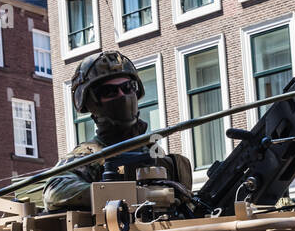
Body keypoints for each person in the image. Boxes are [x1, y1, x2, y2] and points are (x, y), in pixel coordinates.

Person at [42, 50, 191, 212]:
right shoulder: (88, 155)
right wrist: (124, 195)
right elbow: (54, 190)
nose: (123, 96)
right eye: (109, 91)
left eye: (128, 87)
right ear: (92, 104)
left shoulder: (158, 156)